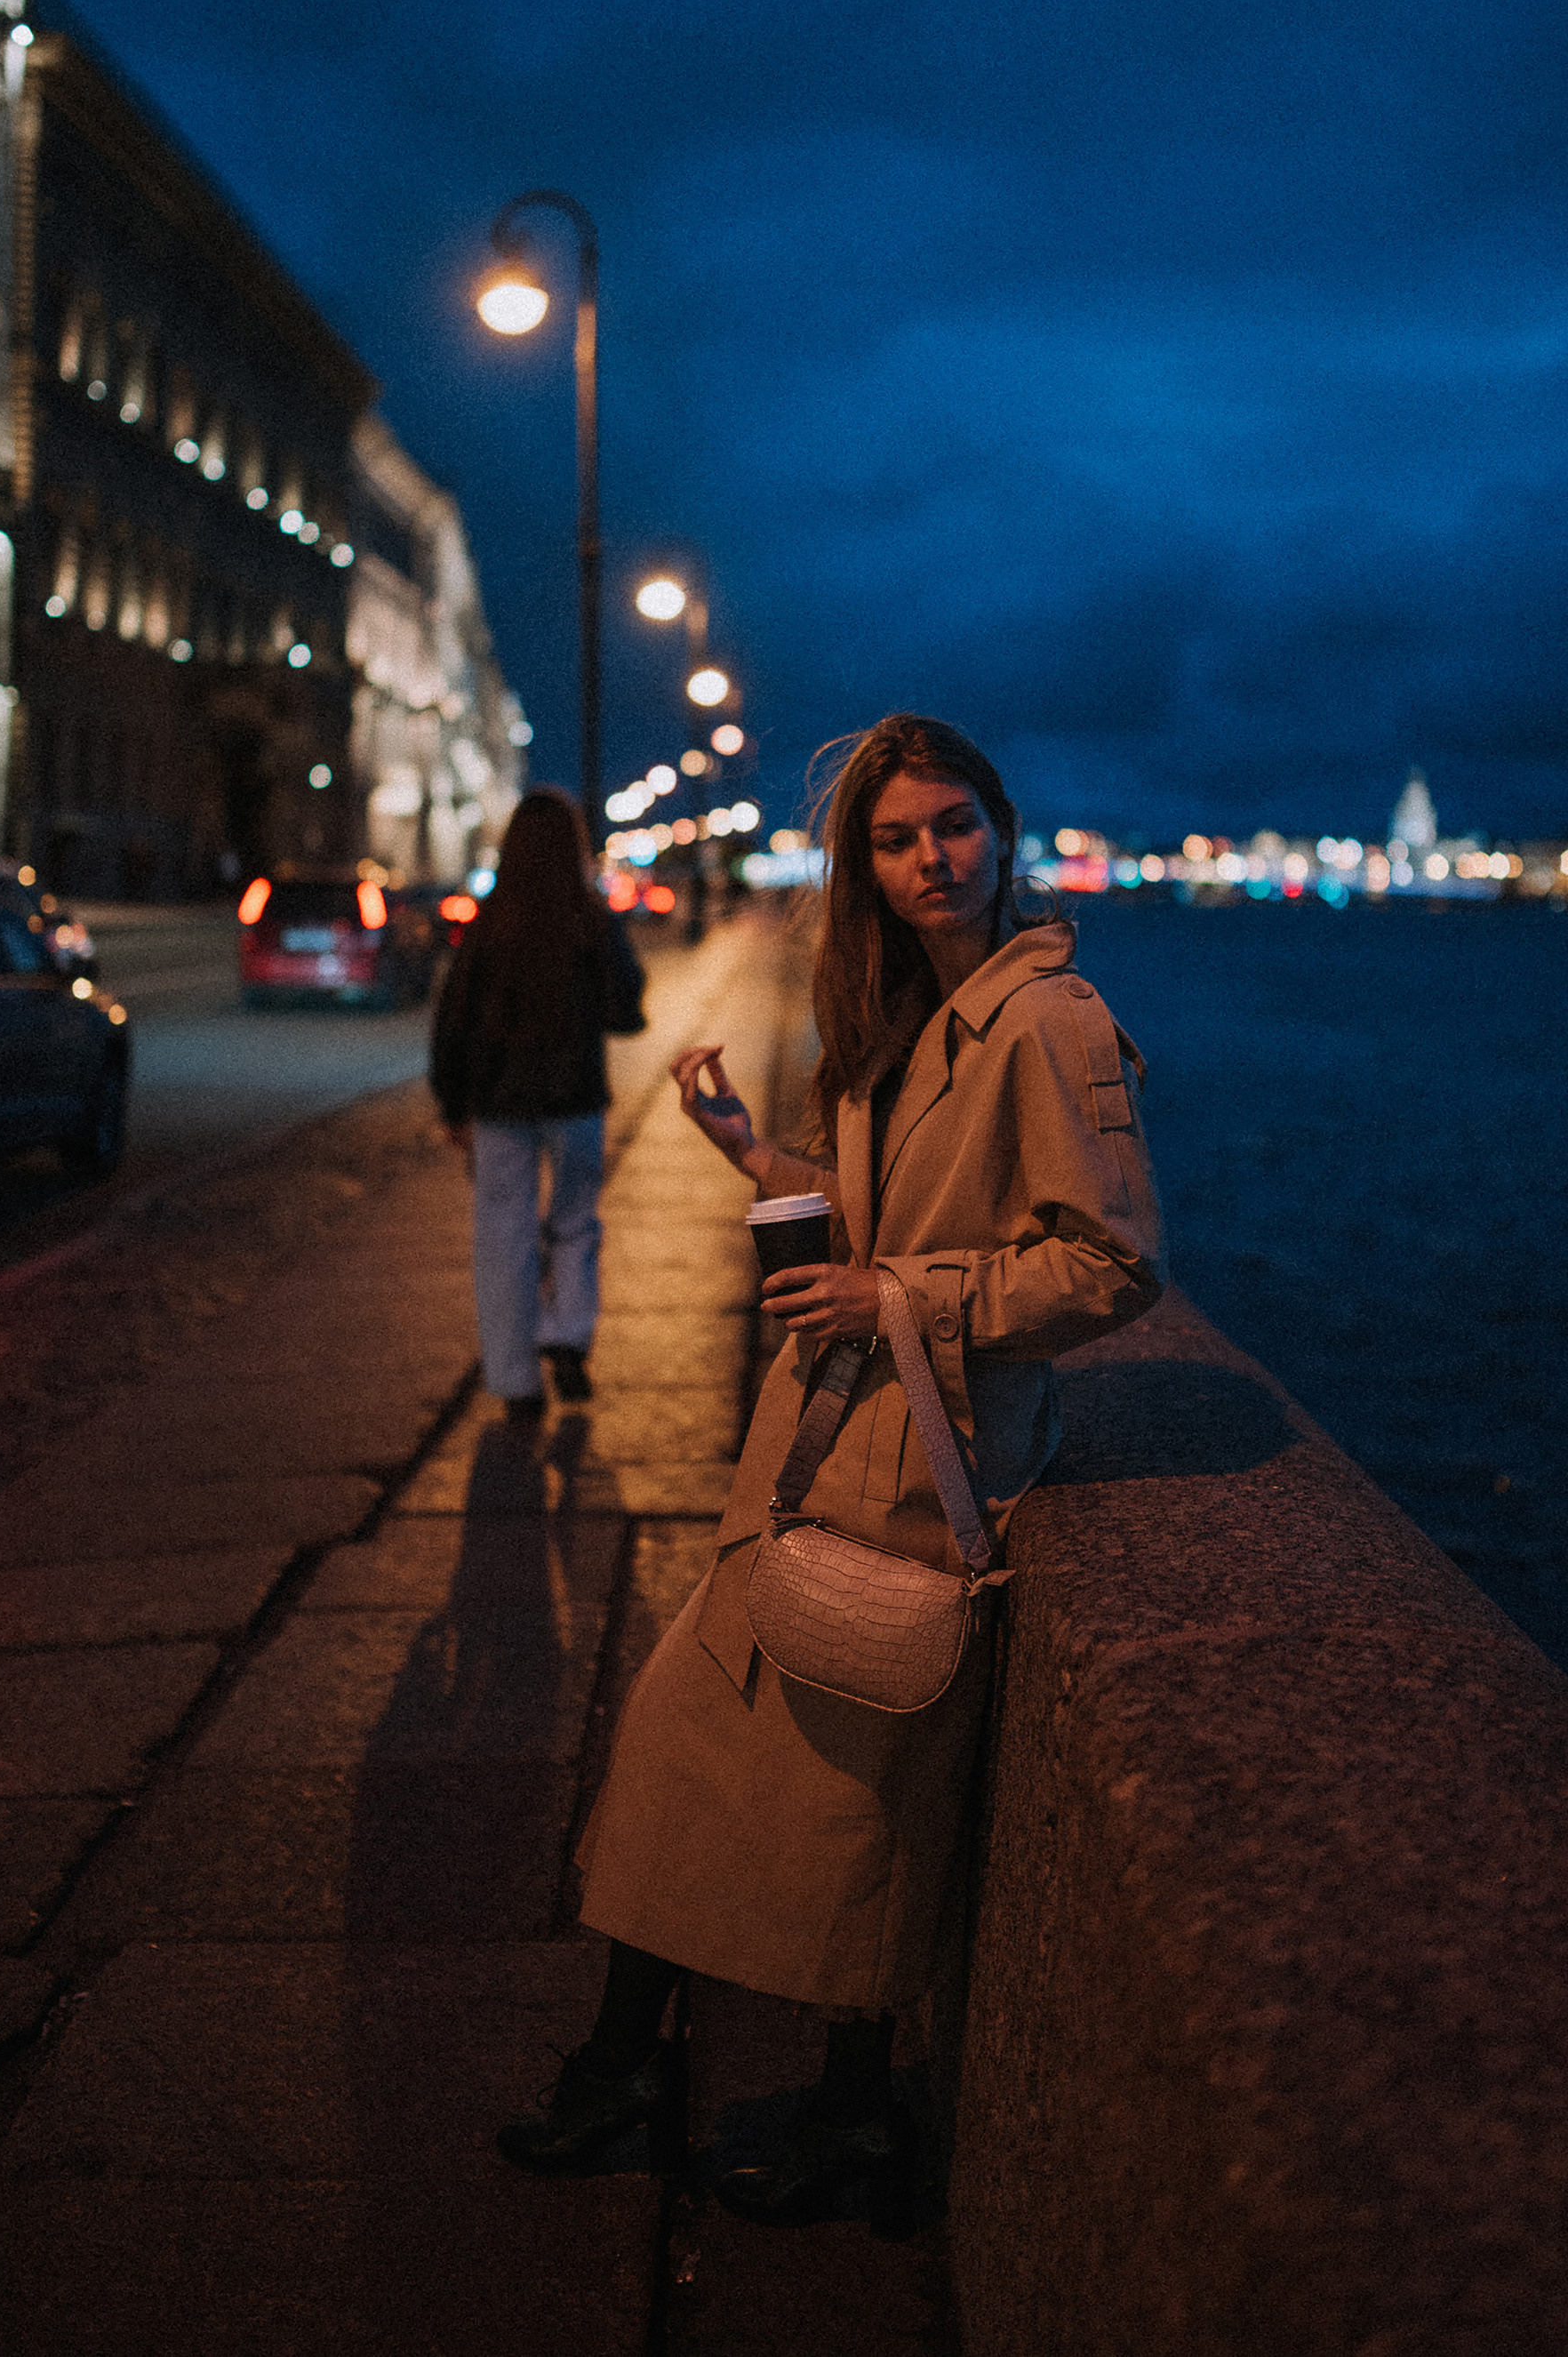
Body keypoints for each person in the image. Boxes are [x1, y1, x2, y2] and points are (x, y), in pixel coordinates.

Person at [498, 715, 1164, 2218]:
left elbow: (1113, 1263)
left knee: (850, 1809)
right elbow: (881, 1213)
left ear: (1002, 829)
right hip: (821, 1455)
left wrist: (900, 1297)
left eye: (953, 825)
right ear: (862, 865)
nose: (932, 857)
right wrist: (754, 1156)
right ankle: (678, 2075)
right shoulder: (908, 1010)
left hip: (922, 1469)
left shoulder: (1049, 1023)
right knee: (711, 1764)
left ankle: (762, 2095)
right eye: (896, 836)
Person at [429, 788, 646, 1417]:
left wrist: (451, 1105)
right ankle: (570, 1332)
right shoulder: (589, 918)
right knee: (577, 1220)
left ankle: (514, 1378)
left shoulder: (490, 923)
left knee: (503, 1233)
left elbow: (453, 1022)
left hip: (500, 1105)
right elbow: (628, 1009)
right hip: (577, 1100)